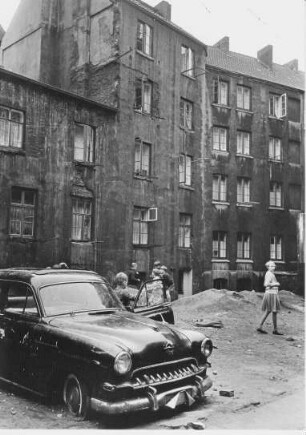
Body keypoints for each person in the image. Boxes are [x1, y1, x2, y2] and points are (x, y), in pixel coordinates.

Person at [257, 260, 283, 335]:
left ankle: (261, 326)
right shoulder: (269, 274)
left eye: (273, 266)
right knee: (273, 311)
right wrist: (276, 284)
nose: (273, 267)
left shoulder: (270, 273)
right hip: (271, 294)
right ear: (268, 267)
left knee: (270, 311)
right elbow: (266, 284)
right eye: (271, 266)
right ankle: (274, 329)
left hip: (272, 293)